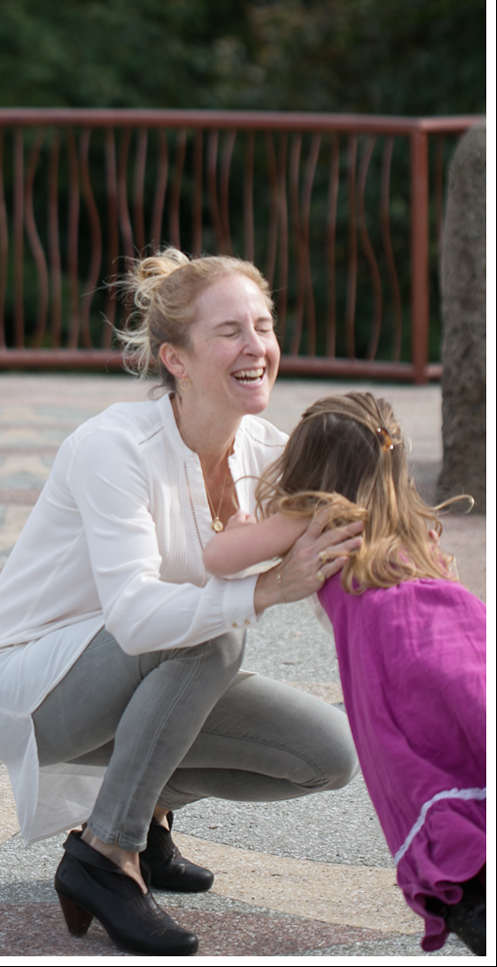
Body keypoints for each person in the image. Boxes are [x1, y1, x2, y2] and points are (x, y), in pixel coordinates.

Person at [0, 250, 364, 956]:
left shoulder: (268, 453)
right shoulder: (113, 446)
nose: (256, 347)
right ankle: (106, 852)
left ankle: (146, 819)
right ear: (175, 358)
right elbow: (137, 617)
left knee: (326, 753)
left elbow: (350, 540)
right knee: (216, 631)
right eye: (230, 331)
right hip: (26, 688)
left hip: (139, 671)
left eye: (263, 326)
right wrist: (267, 588)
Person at [201, 391, 486, 956]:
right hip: (455, 635)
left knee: (434, 781)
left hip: (399, 656)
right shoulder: (409, 520)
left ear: (307, 469)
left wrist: (237, 522)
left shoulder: (321, 516)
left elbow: (219, 557)